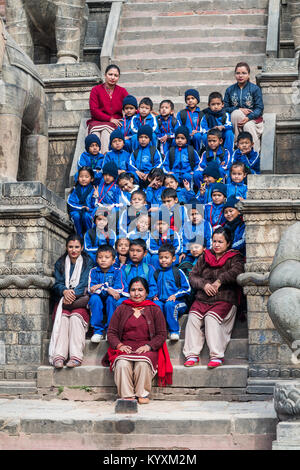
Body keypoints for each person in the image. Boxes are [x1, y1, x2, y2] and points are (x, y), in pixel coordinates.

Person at [183, 227, 244, 368]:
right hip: (203, 298)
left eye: (220, 242)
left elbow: (237, 271)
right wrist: (204, 285)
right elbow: (192, 275)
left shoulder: (235, 257)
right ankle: (192, 354)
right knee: (193, 317)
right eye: (214, 241)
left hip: (224, 298)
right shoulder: (205, 256)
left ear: (228, 243)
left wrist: (219, 280)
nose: (216, 245)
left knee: (211, 318)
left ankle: (216, 355)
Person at [103, 277, 171, 403]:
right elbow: (111, 332)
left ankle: (142, 394)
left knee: (142, 364)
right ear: (129, 292)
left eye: (140, 290)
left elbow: (161, 334)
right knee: (122, 364)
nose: (137, 293)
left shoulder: (154, 309)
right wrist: (119, 345)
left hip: (146, 348)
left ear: (146, 292)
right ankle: (127, 395)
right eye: (133, 290)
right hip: (126, 347)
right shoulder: (121, 308)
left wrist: (149, 346)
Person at [49, 234, 94, 368]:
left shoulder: (87, 262)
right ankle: (59, 356)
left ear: (81, 248)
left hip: (79, 300)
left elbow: (85, 282)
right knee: (62, 319)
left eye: (76, 247)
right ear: (66, 247)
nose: (73, 250)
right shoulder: (60, 263)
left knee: (75, 318)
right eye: (70, 247)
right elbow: (57, 283)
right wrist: (64, 291)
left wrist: (72, 293)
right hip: (64, 300)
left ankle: (75, 356)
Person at [87, 64, 128, 154]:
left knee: (106, 133)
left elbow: (130, 105)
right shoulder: (96, 90)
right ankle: (96, 162)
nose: (113, 77)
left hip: (114, 123)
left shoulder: (122, 91)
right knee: (95, 136)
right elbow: (94, 110)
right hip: (97, 122)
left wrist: (144, 112)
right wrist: (110, 119)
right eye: (110, 74)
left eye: (116, 75)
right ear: (105, 75)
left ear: (118, 77)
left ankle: (104, 161)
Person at [224, 62, 264, 153]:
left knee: (248, 126)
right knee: (236, 113)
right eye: (238, 73)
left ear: (248, 74)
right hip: (236, 121)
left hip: (253, 120)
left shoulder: (255, 89)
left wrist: (248, 118)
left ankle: (254, 153)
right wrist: (238, 109)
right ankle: (238, 146)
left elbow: (259, 108)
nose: (240, 76)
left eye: (244, 73)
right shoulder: (230, 90)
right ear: (235, 74)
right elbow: (225, 108)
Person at [153, 244, 190, 341]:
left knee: (169, 305)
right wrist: (154, 296)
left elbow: (187, 288)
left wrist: (175, 295)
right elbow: (153, 287)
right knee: (156, 304)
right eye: (161, 257)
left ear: (173, 259)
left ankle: (174, 331)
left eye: (166, 257)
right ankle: (160, 331)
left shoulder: (177, 272)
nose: (163, 260)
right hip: (162, 301)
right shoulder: (157, 273)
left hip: (178, 302)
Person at [88, 245, 124, 342]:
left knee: (111, 299)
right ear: (96, 259)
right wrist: (107, 288)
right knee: (94, 298)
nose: (103, 260)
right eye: (100, 257)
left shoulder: (117, 272)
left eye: (107, 257)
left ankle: (110, 331)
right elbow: (91, 289)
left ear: (113, 260)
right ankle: (98, 331)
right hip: (98, 298)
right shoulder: (93, 271)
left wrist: (101, 286)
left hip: (110, 298)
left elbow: (119, 289)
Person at [67, 166, 96, 238]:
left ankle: (89, 237)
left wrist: (95, 197)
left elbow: (95, 204)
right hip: (76, 211)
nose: (83, 179)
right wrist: (81, 207)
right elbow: (70, 203)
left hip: (89, 212)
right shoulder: (75, 190)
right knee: (76, 216)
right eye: (81, 176)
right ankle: (79, 236)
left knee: (86, 216)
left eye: (86, 177)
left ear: (91, 179)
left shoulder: (93, 190)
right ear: (78, 178)